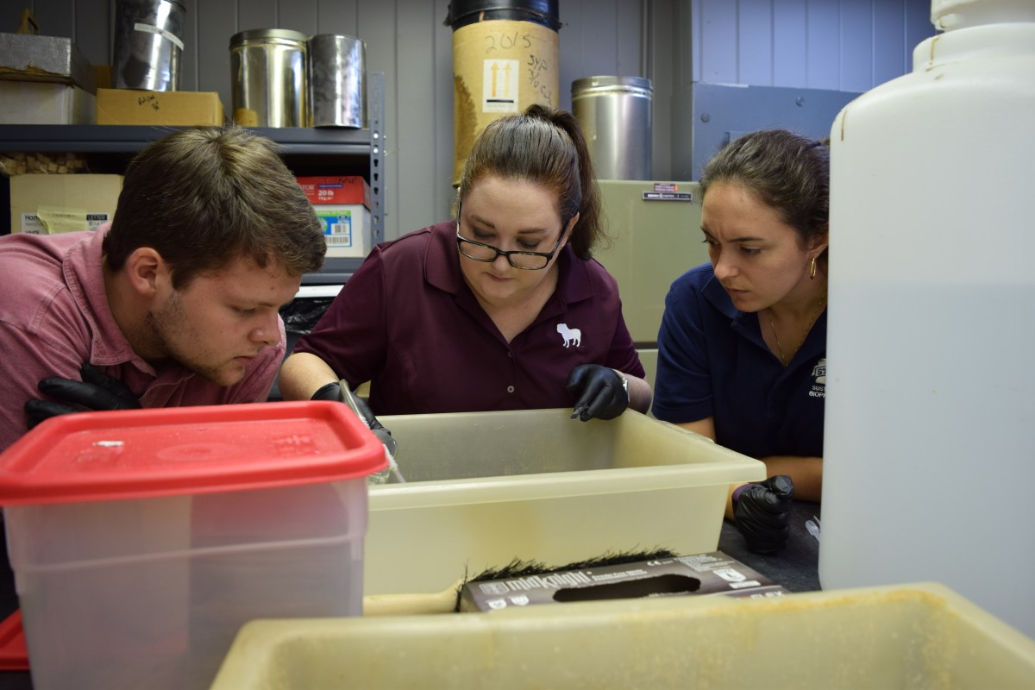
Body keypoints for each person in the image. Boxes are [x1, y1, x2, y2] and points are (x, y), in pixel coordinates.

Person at [279, 104, 652, 425]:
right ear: (459, 206)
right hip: (424, 494)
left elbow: (641, 390)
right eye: (481, 233)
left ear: (568, 229)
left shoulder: (593, 289)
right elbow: (305, 362)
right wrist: (332, 399)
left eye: (528, 244)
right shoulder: (402, 268)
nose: (500, 264)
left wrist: (618, 386)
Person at [0, 125, 327, 453]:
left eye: (279, 306)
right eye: (244, 308)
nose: (271, 336)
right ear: (148, 273)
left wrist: (139, 445)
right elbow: (37, 502)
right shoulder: (26, 316)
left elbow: (218, 492)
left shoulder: (253, 350)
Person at [652, 129, 830, 553]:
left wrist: (738, 473)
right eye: (712, 243)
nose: (722, 270)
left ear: (816, 240)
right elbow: (691, 463)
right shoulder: (695, 303)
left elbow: (880, 474)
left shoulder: (875, 317)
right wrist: (739, 497)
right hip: (727, 529)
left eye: (749, 249)